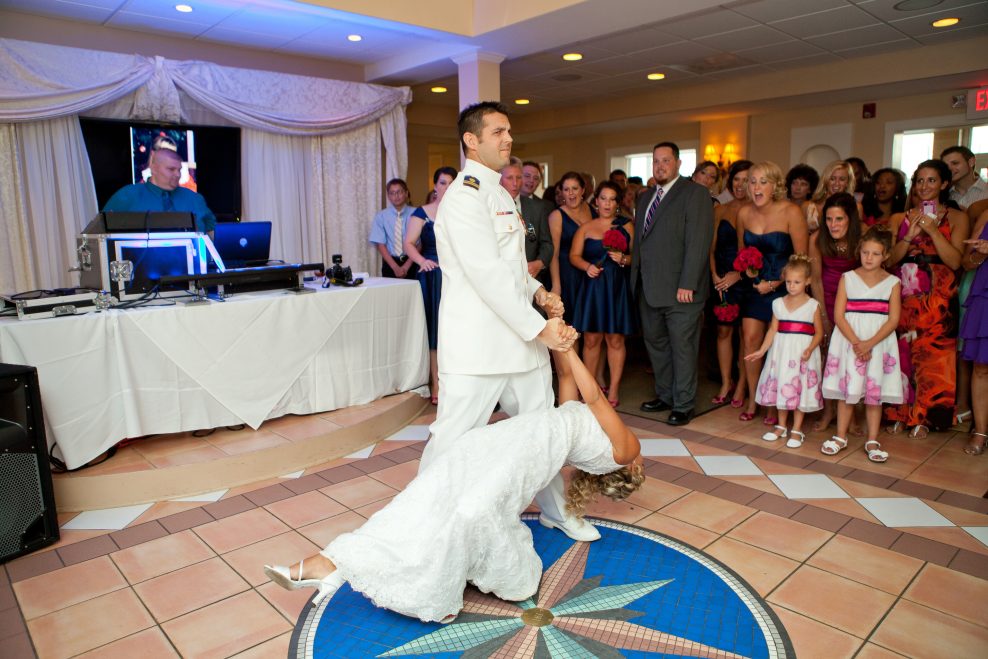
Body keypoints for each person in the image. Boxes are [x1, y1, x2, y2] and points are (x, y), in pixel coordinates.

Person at [262, 348, 644, 623]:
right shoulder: (608, 447)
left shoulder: (627, 449)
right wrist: (562, 338)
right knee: (434, 489)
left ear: (627, 471)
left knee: (473, 508)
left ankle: (435, 585)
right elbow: (567, 382)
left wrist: (567, 350)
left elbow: (592, 395)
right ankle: (335, 559)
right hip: (511, 437)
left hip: (531, 447)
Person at [424, 101, 597, 543]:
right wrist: (541, 327)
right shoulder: (462, 197)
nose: (508, 139)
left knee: (541, 434)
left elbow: (510, 264)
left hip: (519, 345)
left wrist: (539, 292)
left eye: (509, 132)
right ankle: (424, 524)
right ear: (471, 140)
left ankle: (557, 512)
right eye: (498, 132)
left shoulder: (501, 193)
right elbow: (485, 275)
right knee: (451, 440)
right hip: (478, 347)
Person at [886, 160, 970, 438]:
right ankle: (899, 413)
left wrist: (933, 230)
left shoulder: (957, 218)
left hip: (939, 298)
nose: (924, 186)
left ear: (944, 184)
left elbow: (956, 260)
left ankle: (927, 416)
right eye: (920, 180)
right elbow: (889, 261)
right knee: (903, 357)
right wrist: (910, 236)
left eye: (931, 180)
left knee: (934, 358)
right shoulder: (900, 218)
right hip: (905, 294)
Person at [632, 142, 714, 426]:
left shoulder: (696, 194)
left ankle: (683, 403)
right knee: (656, 345)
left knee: (682, 348)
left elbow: (698, 243)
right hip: (649, 288)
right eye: (656, 161)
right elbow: (642, 243)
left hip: (682, 291)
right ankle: (665, 395)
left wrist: (688, 283)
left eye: (666, 160)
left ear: (678, 163)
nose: (660, 166)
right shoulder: (644, 198)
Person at [822, 226, 903, 462]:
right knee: (848, 391)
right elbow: (838, 315)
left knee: (873, 394)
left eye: (875, 254)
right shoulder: (848, 278)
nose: (869, 258)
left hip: (877, 342)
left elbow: (894, 319)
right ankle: (840, 436)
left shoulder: (893, 283)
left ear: (886, 255)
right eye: (865, 252)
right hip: (850, 341)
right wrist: (858, 343)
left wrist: (869, 344)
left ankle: (872, 439)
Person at [736, 161, 809, 425]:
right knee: (751, 340)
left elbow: (801, 259)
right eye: (752, 181)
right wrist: (751, 275)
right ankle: (755, 397)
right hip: (754, 288)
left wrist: (777, 284)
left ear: (775, 185)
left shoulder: (791, 211)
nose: (756, 187)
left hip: (785, 289)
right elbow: (741, 255)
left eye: (763, 182)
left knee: (778, 346)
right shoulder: (744, 213)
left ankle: (774, 402)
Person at [745, 255, 824, 449]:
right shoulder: (778, 303)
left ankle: (796, 429)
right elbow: (773, 329)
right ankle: (781, 426)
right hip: (781, 353)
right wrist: (762, 350)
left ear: (807, 281)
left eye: (796, 282)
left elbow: (819, 333)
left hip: (801, 354)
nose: (791, 286)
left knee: (799, 388)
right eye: (788, 281)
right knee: (782, 385)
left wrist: (810, 349)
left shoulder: (812, 305)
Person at [570, 181, 636, 407]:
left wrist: (624, 259)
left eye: (612, 199)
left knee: (615, 339)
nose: (607, 203)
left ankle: (614, 388)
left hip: (616, 286)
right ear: (595, 201)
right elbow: (574, 256)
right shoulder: (585, 228)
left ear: (617, 203)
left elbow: (638, 257)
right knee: (591, 339)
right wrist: (586, 266)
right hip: (594, 287)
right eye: (603, 198)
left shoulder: (626, 226)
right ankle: (590, 389)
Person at [809, 192, 863, 433]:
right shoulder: (817, 238)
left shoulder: (862, 238)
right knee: (827, 358)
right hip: (827, 299)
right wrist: (823, 316)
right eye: (829, 219)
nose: (833, 225)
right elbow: (816, 280)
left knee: (851, 359)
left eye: (839, 219)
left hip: (854, 303)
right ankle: (829, 409)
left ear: (850, 219)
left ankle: (850, 414)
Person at [404, 166, 458, 405]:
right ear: (435, 186)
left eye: (451, 183)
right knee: (435, 331)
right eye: (443, 183)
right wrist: (422, 261)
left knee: (455, 330)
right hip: (433, 276)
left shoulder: (460, 213)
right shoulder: (422, 212)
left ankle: (457, 383)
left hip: (456, 275)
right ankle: (436, 384)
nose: (447, 188)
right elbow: (408, 244)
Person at [548, 171, 594, 405]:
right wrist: (556, 285)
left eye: (575, 189)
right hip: (567, 276)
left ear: (583, 190)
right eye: (566, 190)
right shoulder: (557, 216)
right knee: (572, 330)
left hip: (591, 276)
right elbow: (554, 255)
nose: (571, 194)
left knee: (593, 330)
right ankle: (572, 382)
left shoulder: (593, 211)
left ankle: (594, 379)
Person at [710, 160, 753, 408]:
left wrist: (740, 274)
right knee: (723, 331)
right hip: (722, 279)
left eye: (746, 180)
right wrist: (715, 274)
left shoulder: (757, 211)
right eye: (736, 179)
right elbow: (711, 248)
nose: (740, 185)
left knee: (746, 335)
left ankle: (743, 384)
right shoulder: (720, 210)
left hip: (747, 277)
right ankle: (726, 382)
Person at [103, 147, 217, 233]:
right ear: (154, 168)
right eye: (171, 169)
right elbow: (101, 232)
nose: (177, 174)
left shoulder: (195, 198)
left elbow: (212, 232)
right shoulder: (126, 196)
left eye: (179, 169)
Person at [959, 205, 988, 455]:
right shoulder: (986, 214)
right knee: (981, 366)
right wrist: (980, 254)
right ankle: (980, 430)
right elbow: (967, 262)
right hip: (985, 294)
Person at [502, 158, 553, 289]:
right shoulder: (492, 206)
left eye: (519, 178)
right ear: (500, 180)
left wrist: (539, 263)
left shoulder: (536, 207)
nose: (515, 183)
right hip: (502, 279)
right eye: (510, 178)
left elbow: (546, 243)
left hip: (531, 280)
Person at [369, 178, 417, 279]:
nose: (396, 196)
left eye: (399, 192)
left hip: (413, 261)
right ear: (388, 196)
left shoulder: (417, 213)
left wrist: (406, 266)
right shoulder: (381, 216)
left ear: (406, 193)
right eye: (392, 193)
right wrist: (395, 267)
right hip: (390, 263)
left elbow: (421, 243)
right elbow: (380, 244)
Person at [804, 161, 861, 234]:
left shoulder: (856, 207)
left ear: (847, 183)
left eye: (842, 179)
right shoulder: (807, 206)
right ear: (826, 180)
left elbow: (856, 237)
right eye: (832, 179)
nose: (836, 183)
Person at [941, 146, 988, 210]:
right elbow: (928, 215)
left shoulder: (986, 191)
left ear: (971, 162)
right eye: (945, 166)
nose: (949, 169)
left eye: (955, 163)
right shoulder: (942, 195)